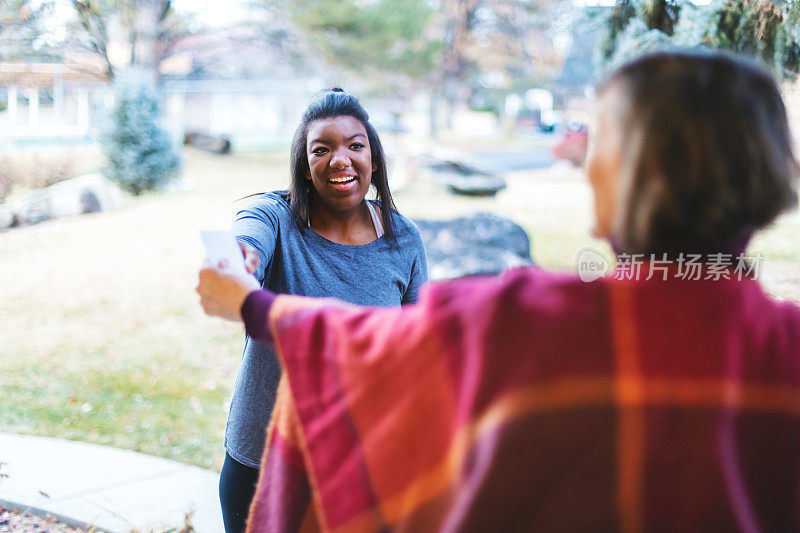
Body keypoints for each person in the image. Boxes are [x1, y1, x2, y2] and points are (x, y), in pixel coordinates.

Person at [198, 51, 800, 532]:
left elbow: (374, 347)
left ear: (615, 180)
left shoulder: (516, 323)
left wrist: (253, 306)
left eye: (599, 147)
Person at [214, 88, 428, 533]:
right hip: (264, 463)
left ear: (375, 157)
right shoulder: (274, 218)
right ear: (304, 166)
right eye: (322, 149)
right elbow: (239, 250)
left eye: (354, 145)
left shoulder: (403, 240)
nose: (340, 159)